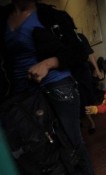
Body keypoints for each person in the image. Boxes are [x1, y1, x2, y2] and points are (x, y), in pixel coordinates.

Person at [0, 0, 94, 174]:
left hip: (57, 83)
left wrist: (48, 63)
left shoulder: (51, 16)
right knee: (36, 147)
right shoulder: (3, 18)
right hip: (22, 94)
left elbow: (79, 51)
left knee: (72, 140)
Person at [75, 33, 103, 134]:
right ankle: (87, 121)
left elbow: (90, 54)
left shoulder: (80, 37)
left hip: (84, 71)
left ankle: (90, 119)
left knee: (86, 97)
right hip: (70, 73)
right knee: (78, 97)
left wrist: (97, 70)